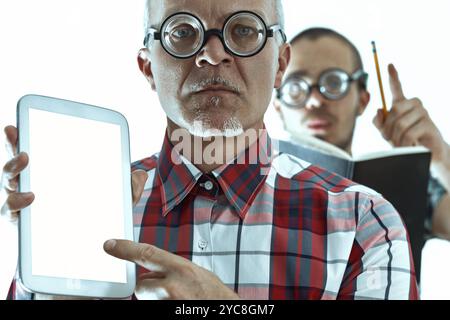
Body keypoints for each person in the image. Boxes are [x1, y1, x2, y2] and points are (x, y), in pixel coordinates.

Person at [1, 1, 418, 300]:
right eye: (182, 32)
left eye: (243, 30)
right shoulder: (85, 213)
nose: (212, 54)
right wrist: (52, 264)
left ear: (280, 63)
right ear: (147, 67)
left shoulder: (365, 224)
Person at [274, 27, 450, 240]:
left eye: (334, 83)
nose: (315, 101)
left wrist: (441, 157)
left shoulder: (404, 185)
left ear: (363, 100)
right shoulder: (246, 184)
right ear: (278, 107)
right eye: (295, 88)